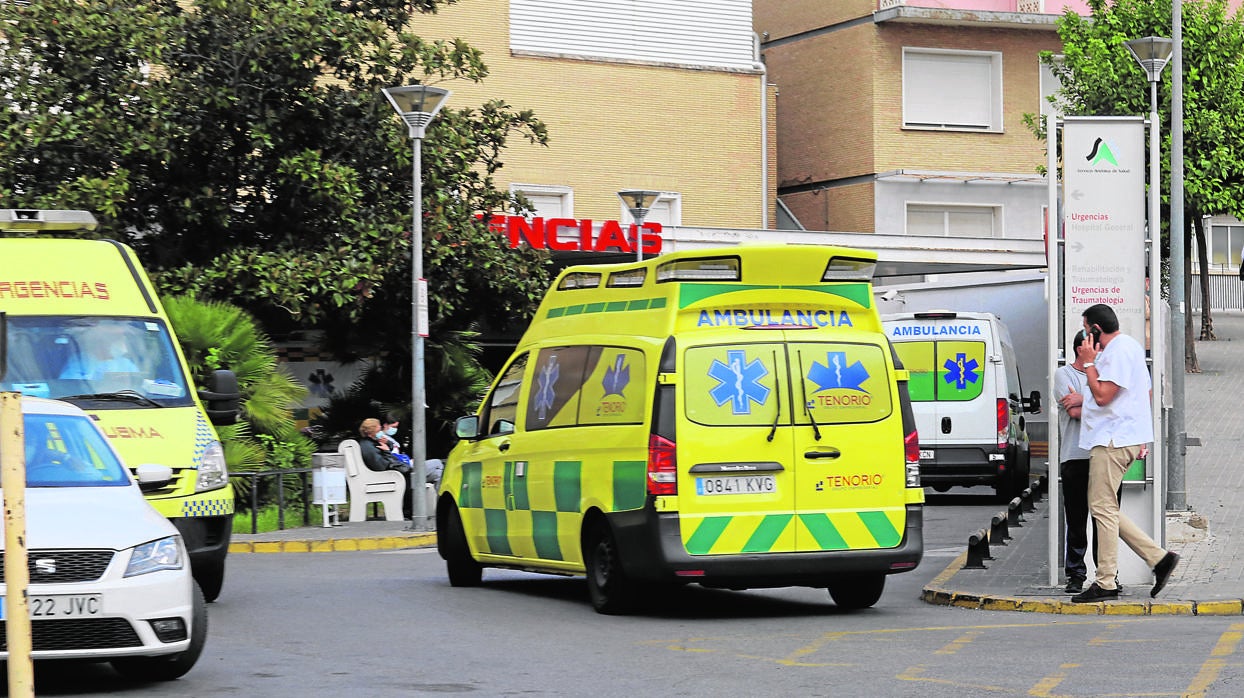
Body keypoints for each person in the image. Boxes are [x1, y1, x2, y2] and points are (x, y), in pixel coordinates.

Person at [1071, 304, 1179, 602]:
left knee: (1102, 508)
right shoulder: (1129, 348)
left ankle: (1106, 581)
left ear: (1096, 330)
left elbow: (1103, 396)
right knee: (1105, 507)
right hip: (1121, 438)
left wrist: (1089, 363)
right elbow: (1143, 393)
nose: (1084, 336)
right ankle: (1159, 558)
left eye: (1086, 329)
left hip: (1112, 440)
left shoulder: (1117, 352)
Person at [1056, 330, 1107, 594]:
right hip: (1075, 456)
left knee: (1104, 521)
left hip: (1104, 456)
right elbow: (1074, 412)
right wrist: (1098, 401)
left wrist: (1084, 398)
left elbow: (1112, 404)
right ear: (1081, 349)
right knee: (1076, 520)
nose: (1101, 352)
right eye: (1096, 347)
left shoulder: (1104, 374)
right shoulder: (1064, 375)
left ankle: (1107, 574)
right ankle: (1075, 574)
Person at [358, 418, 413, 519]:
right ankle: (407, 512)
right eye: (378, 429)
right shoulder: (368, 447)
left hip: (380, 473)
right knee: (407, 475)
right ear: (371, 431)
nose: (380, 430)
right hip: (379, 476)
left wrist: (387, 443)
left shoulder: (372, 442)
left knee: (408, 472)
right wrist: (387, 452)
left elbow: (386, 454)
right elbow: (381, 466)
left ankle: (409, 511)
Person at [59, 324, 140, 381]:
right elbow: (69, 386)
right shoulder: (80, 361)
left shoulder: (125, 363)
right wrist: (99, 380)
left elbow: (138, 383)